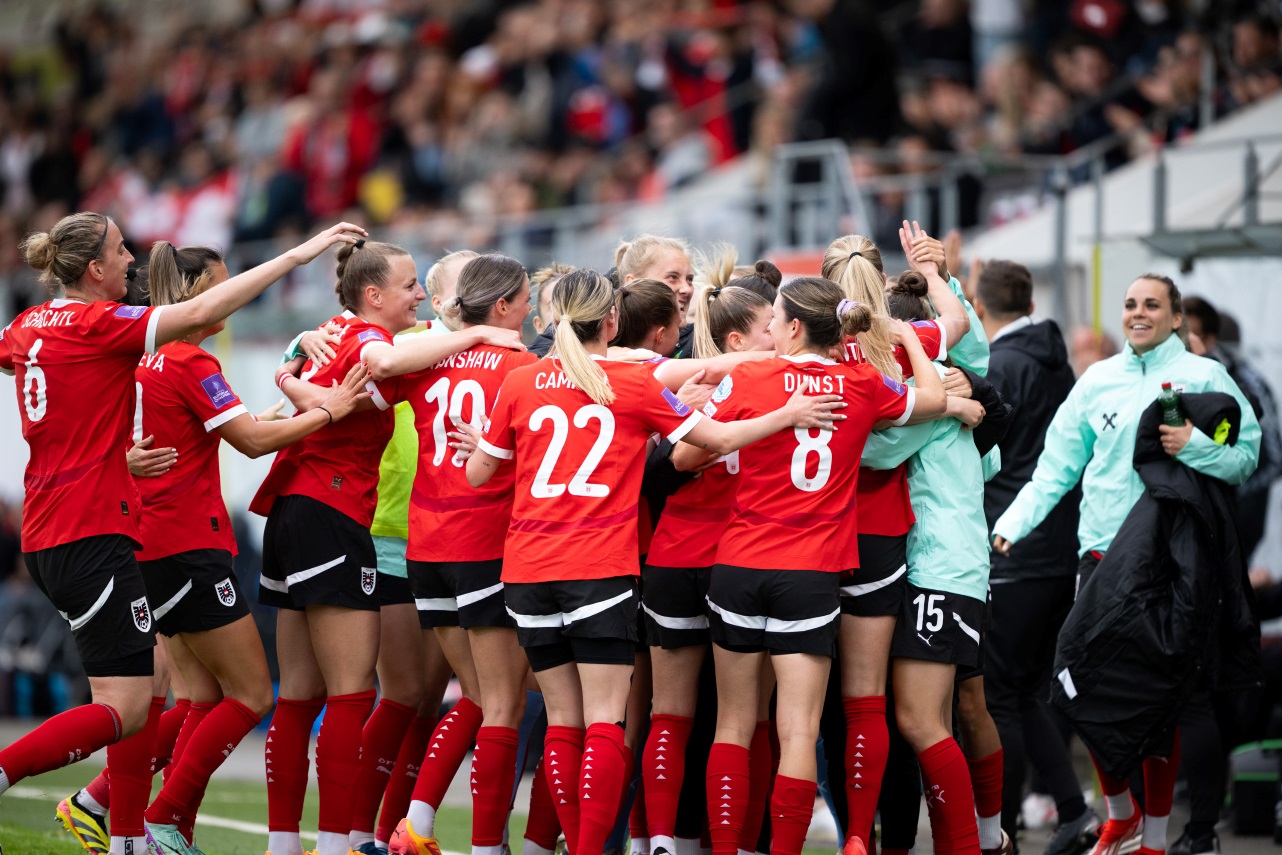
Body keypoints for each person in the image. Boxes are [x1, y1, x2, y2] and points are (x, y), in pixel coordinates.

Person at [0, 212, 364, 852]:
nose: (130, 264)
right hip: (121, 535)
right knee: (152, 702)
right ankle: (105, 807)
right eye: (119, 252)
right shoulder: (116, 332)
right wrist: (299, 256)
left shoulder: (30, 326)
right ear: (93, 270)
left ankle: (128, 834)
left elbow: (53, 391)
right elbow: (247, 437)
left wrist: (114, 458)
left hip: (68, 527)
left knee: (167, 693)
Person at [458, 269, 846, 855]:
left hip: (528, 568)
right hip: (599, 566)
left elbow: (477, 473)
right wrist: (787, 416)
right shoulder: (633, 383)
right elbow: (710, 442)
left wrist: (498, 451)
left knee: (563, 724)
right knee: (608, 722)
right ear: (609, 321)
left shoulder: (521, 381)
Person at [251, 239, 522, 855]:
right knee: (366, 692)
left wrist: (291, 368)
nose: (425, 298)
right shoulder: (402, 344)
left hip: (315, 513)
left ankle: (297, 842)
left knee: (312, 693)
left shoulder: (377, 336)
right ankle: (353, 838)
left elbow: (360, 358)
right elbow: (381, 360)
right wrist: (476, 335)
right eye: (416, 287)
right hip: (359, 518)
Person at [671, 276, 945, 855]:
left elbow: (687, 455)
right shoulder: (864, 383)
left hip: (740, 565)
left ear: (794, 326)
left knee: (733, 725)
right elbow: (936, 400)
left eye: (774, 319)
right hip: (812, 574)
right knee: (798, 731)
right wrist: (913, 343)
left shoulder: (750, 375)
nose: (768, 327)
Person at [993, 274, 1262, 855]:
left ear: (1174, 316)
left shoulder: (1205, 377)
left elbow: (1247, 459)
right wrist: (1011, 525)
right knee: (1075, 684)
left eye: (1151, 305)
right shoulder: (1097, 381)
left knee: (1167, 702)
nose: (1138, 313)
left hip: (1173, 562)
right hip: (1101, 557)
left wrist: (1194, 445)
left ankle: (1156, 840)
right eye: (1130, 304)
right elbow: (1054, 468)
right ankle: (1120, 814)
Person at [371, 254, 540, 855]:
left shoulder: (428, 360)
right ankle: (486, 846)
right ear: (500, 306)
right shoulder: (522, 365)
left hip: (427, 547)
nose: (532, 309)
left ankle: (413, 825)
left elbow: (375, 368)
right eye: (525, 299)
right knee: (502, 702)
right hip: (483, 541)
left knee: (478, 696)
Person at [819, 223, 975, 855]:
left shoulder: (801, 348)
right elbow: (957, 324)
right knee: (868, 704)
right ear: (879, 281)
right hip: (881, 541)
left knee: (798, 716)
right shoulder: (896, 343)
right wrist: (934, 273)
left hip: (806, 538)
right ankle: (864, 836)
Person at [641, 281, 778, 855]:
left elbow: (665, 464)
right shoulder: (771, 383)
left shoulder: (680, 385)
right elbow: (681, 459)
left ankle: (665, 843)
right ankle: (737, 846)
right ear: (735, 338)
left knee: (670, 715)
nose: (780, 332)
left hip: (673, 558)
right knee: (750, 719)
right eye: (770, 324)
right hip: (736, 562)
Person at [971, 260, 1099, 855]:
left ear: (980, 301)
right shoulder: (1057, 360)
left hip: (1013, 543)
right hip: (1058, 549)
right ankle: (1072, 812)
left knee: (1001, 693)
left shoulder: (1003, 365)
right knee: (1026, 692)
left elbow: (983, 448)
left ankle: (1007, 828)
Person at [1182, 296, 1281, 560]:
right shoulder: (1187, 379)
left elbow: (1274, 458)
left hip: (1237, 518)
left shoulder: (1247, 384)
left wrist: (1228, 490)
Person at [615, 236, 696, 357]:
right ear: (632, 282)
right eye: (672, 277)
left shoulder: (704, 342)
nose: (687, 289)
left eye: (689, 279)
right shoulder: (596, 341)